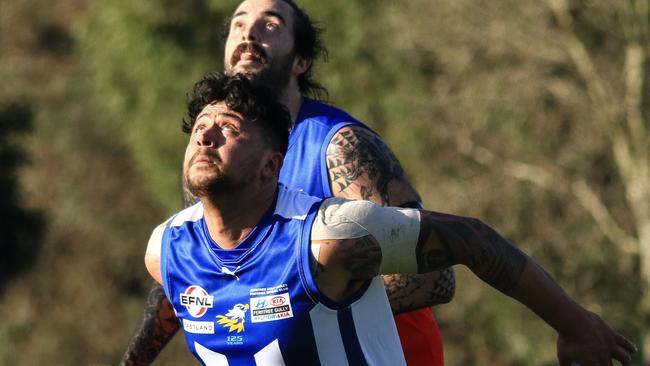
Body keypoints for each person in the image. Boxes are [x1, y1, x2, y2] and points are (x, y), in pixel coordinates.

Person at [144, 72, 635, 366]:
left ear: (273, 164)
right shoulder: (165, 248)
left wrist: (574, 324)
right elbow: (178, 300)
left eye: (228, 129)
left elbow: (471, 238)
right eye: (201, 127)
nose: (206, 138)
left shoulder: (331, 236)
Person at [122, 0, 452, 364]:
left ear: (301, 61)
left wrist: (297, 300)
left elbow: (435, 276)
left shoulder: (339, 147)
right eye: (238, 25)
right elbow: (191, 279)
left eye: (271, 25)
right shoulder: (215, 157)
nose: (248, 34)